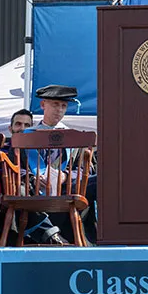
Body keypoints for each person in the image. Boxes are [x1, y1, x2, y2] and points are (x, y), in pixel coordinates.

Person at [0, 108, 68, 245]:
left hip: (37, 191)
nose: (22, 128)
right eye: (18, 124)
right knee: (18, 192)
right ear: (10, 128)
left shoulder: (36, 148)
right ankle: (50, 234)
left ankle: (49, 235)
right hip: (7, 191)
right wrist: (31, 178)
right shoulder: (1, 149)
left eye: (27, 125)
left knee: (20, 193)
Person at [33, 85, 98, 244]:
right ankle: (49, 233)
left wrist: (66, 176)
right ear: (43, 105)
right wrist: (31, 178)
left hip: (67, 188)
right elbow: (17, 167)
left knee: (100, 179)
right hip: (35, 191)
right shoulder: (27, 137)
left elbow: (86, 169)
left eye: (63, 106)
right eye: (55, 104)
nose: (59, 110)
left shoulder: (75, 138)